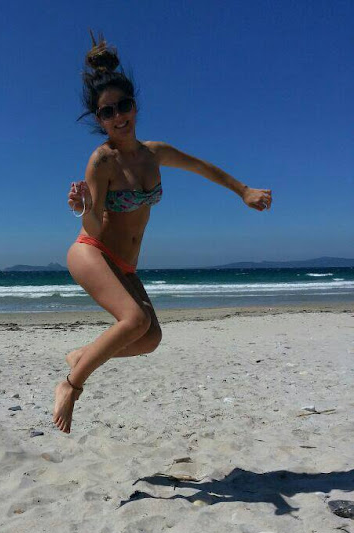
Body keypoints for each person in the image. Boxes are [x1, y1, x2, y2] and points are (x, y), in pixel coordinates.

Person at [53, 31, 272, 433]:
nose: (118, 116)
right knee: (135, 320)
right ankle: (71, 385)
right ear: (99, 119)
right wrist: (83, 207)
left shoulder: (155, 154)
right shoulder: (102, 161)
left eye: (124, 106)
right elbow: (93, 225)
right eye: (107, 111)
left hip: (125, 265)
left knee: (149, 338)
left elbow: (203, 168)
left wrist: (243, 191)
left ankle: (82, 355)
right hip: (91, 252)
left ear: (135, 106)